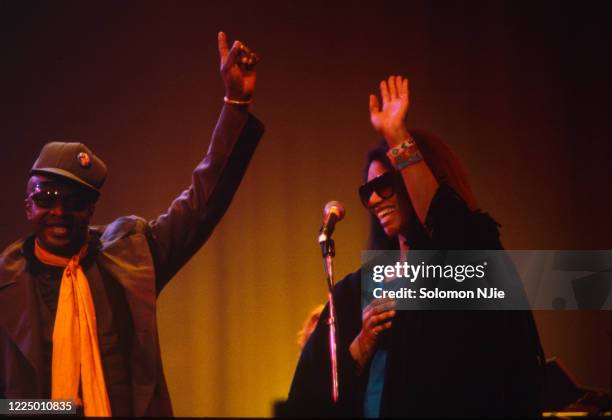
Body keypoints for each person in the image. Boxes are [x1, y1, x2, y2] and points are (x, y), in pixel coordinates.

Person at [0, 32, 264, 417]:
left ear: (91, 209)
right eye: (46, 198)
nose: (58, 210)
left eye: (73, 200)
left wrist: (236, 104)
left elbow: (202, 203)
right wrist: (48, 410)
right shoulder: (5, 281)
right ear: (28, 206)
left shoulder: (131, 254)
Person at [287, 76, 544, 417]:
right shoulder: (357, 291)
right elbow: (304, 398)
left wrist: (397, 137)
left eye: (384, 184)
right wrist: (359, 350)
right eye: (367, 192)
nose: (374, 199)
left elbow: (455, 232)